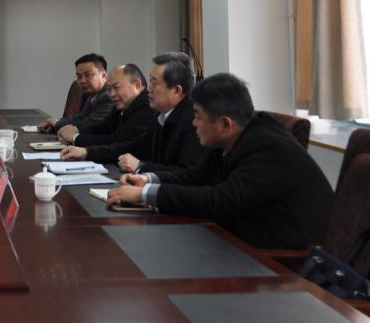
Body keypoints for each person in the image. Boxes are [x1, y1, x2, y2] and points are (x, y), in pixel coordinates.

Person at [109, 73, 334, 249]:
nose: (193, 124)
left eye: (197, 116)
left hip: (278, 258)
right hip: (236, 237)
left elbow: (219, 201)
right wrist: (148, 180)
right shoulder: (234, 136)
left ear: (225, 124)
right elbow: (195, 176)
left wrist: (144, 195)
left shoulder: (269, 149)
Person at [60, 51, 205, 174]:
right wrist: (87, 152)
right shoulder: (160, 115)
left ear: (177, 90)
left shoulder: (194, 121)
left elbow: (188, 175)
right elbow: (133, 146)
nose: (148, 89)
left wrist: (141, 167)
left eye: (154, 83)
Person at [68, 64, 154, 148]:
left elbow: (117, 141)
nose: (112, 94)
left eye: (116, 87)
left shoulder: (147, 106)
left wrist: (76, 137)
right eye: (109, 89)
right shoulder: (121, 106)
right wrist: (76, 130)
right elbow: (100, 128)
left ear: (137, 85)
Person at [38, 54, 114, 140]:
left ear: (104, 75)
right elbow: (80, 118)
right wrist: (56, 122)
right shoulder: (93, 95)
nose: (82, 81)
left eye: (88, 75)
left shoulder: (109, 96)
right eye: (79, 76)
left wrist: (56, 123)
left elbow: (89, 125)